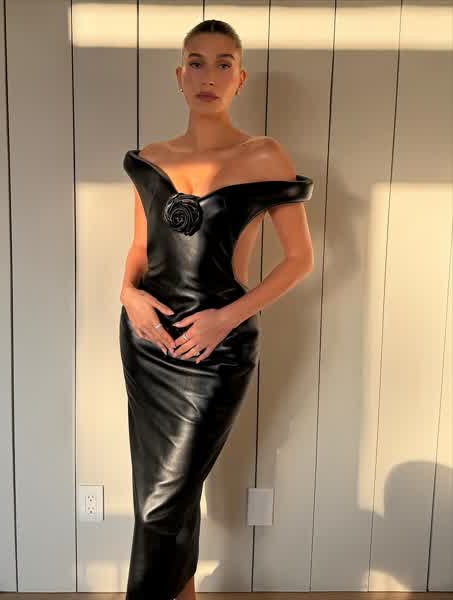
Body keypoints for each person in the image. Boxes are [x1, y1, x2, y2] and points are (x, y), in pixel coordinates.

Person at [119, 18, 314, 600]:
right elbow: (140, 248)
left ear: (240, 78)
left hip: (217, 347)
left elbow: (299, 259)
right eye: (197, 63)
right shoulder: (152, 157)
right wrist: (129, 295)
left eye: (223, 64)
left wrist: (225, 318)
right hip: (148, 341)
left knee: (162, 503)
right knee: (162, 499)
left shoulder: (264, 154)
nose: (209, 75)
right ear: (180, 75)